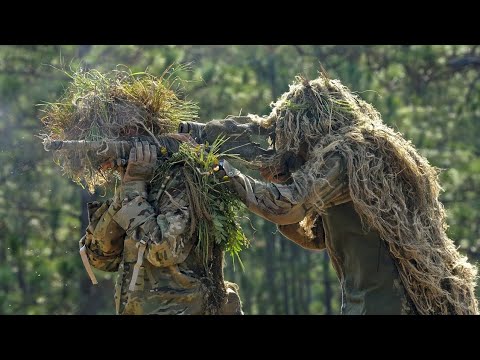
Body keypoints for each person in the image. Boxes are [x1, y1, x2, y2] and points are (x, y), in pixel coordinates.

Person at [216, 74, 479, 315]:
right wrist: (286, 183)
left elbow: (286, 206)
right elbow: (317, 237)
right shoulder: (349, 161)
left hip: (390, 303)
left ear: (308, 126)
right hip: (368, 302)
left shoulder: (348, 155)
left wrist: (221, 172)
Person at [79, 137, 243, 315]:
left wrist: (133, 189)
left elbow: (162, 251)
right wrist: (128, 189)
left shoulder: (182, 178)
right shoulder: (139, 183)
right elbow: (100, 258)